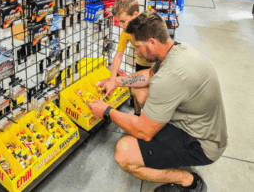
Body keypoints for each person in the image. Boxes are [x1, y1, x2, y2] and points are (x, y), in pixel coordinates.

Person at [88, 10, 228, 192]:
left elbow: (143, 132)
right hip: (200, 124)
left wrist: (107, 111)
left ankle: (188, 182)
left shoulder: (170, 77)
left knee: (124, 152)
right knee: (140, 92)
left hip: (203, 144)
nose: (136, 51)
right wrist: (116, 81)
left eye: (137, 46)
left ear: (152, 43)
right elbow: (150, 74)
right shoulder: (176, 50)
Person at [109, 0, 154, 115]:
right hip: (140, 64)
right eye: (119, 22)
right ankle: (137, 114)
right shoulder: (126, 32)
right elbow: (118, 55)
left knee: (149, 95)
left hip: (156, 66)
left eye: (123, 21)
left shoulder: (149, 27)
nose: (120, 25)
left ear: (135, 15)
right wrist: (112, 79)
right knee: (136, 92)